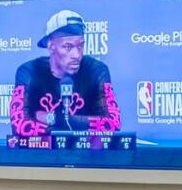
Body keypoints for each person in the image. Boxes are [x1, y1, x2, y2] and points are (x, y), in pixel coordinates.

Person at [9, 9, 121, 147]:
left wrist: (50, 118)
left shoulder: (96, 70)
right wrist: (82, 125)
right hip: (41, 163)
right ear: (51, 46)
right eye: (68, 47)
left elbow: (113, 124)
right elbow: (19, 126)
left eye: (80, 46)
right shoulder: (29, 71)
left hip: (88, 162)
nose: (77, 55)